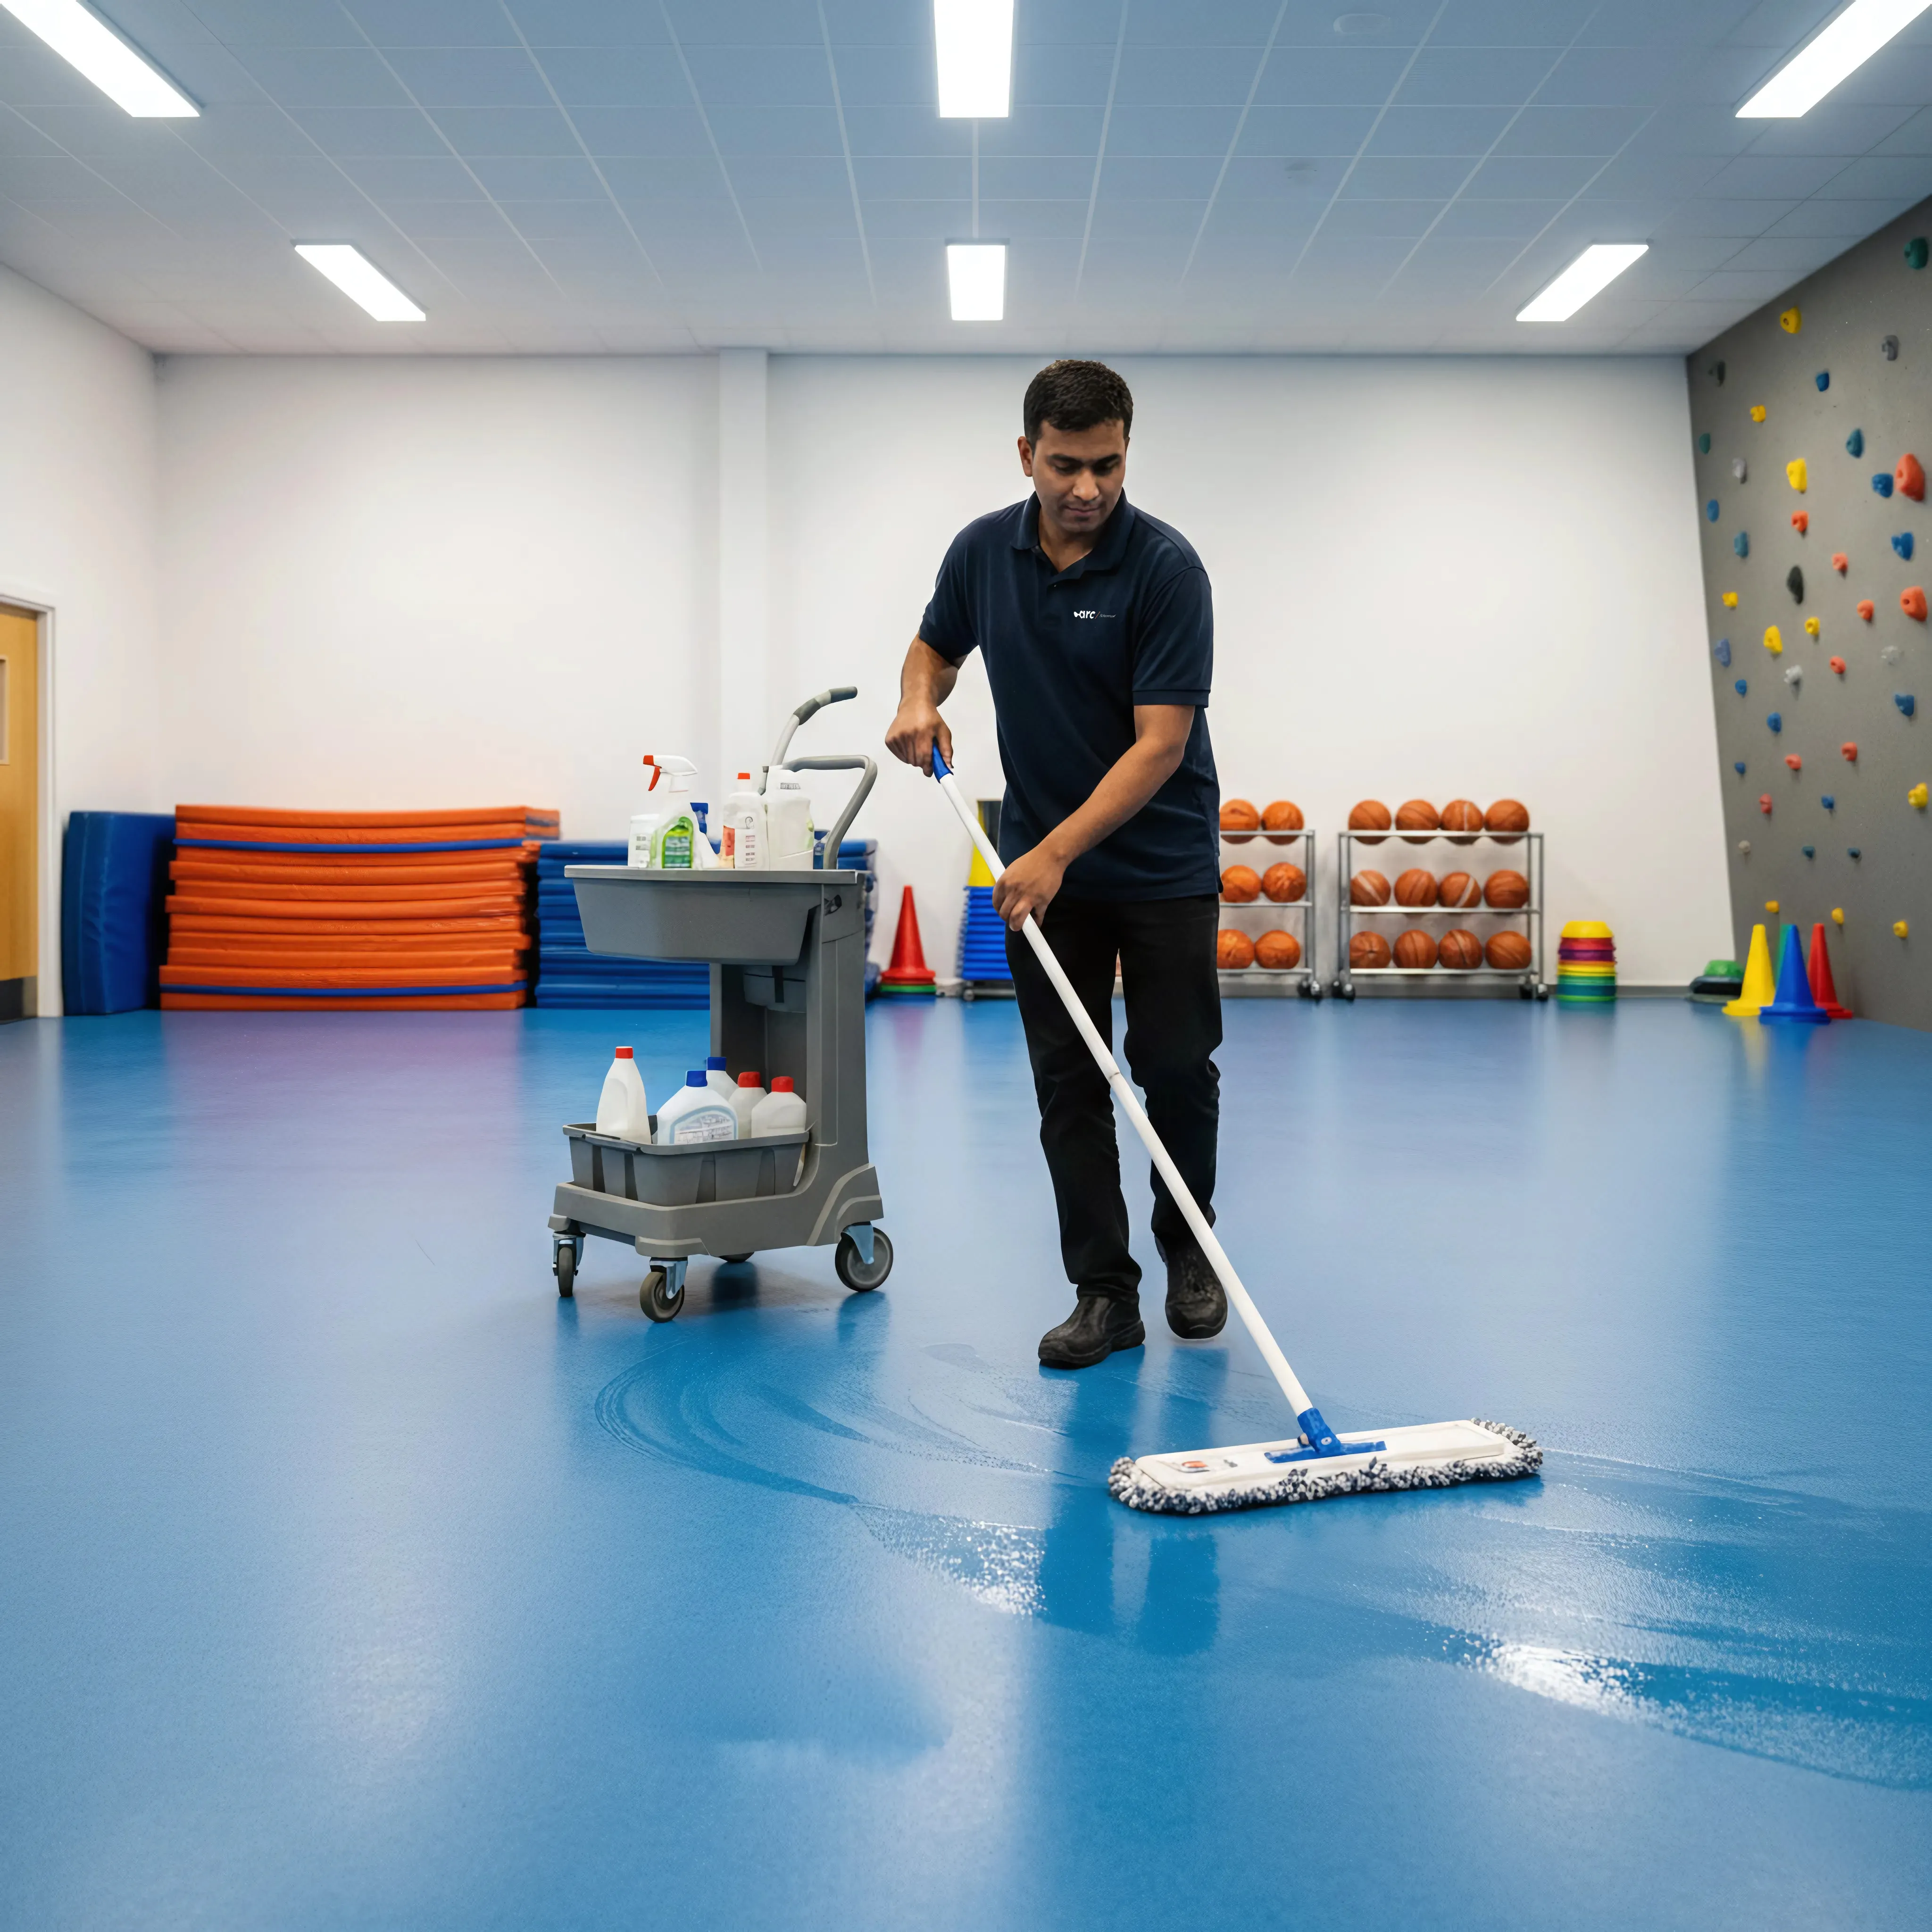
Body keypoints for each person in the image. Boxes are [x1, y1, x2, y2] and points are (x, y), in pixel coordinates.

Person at [885, 359, 1224, 1369]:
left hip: (1155, 861)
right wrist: (916, 697)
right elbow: (933, 646)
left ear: (1128, 453)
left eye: (1108, 466)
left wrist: (1050, 852)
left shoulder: (1165, 568)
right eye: (1066, 465)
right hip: (1045, 861)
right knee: (1066, 1079)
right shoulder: (983, 551)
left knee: (1173, 1068)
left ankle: (1189, 1250)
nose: (1088, 488)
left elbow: (1158, 744)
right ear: (1026, 453)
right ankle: (1102, 1290)